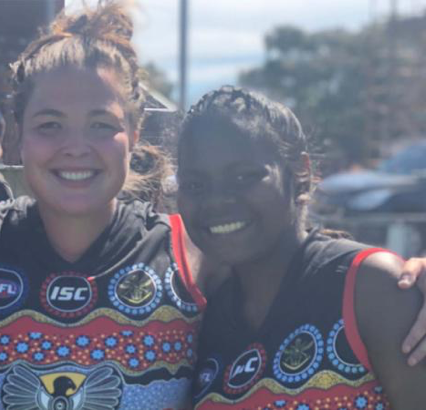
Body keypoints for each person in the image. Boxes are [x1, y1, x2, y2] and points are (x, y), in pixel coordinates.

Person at [0, 3, 426, 410]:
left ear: (134, 135)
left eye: (100, 123)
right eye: (50, 124)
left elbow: (299, 256)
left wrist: (411, 274)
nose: (76, 147)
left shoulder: (192, 252)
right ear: (16, 136)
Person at [176, 86, 426, 408]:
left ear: (301, 173)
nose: (217, 201)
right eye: (195, 185)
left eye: (243, 178)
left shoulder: (369, 287)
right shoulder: (201, 317)